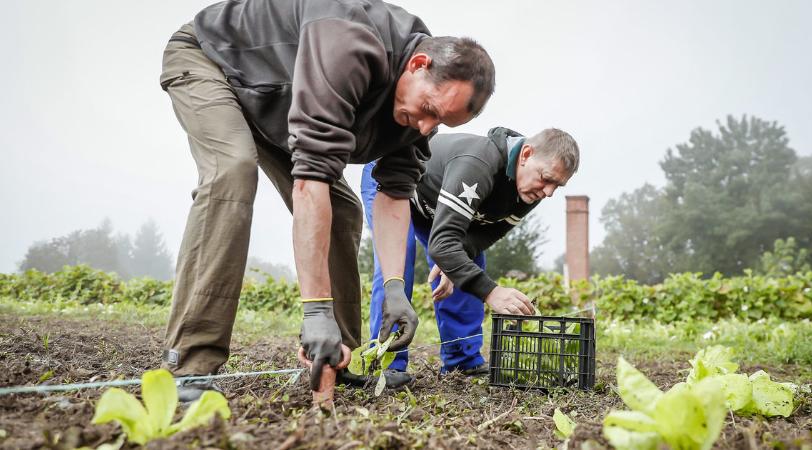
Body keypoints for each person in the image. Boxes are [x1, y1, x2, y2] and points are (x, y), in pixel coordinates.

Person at [158, 0, 495, 401]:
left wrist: (394, 289)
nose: (426, 127)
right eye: (429, 111)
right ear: (418, 64)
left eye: (439, 122)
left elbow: (394, 192)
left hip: (277, 100)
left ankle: (340, 354)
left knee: (343, 209)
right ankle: (190, 365)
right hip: (212, 59)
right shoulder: (348, 45)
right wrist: (315, 309)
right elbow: (311, 182)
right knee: (232, 172)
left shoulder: (417, 114)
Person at [360, 127, 579, 388]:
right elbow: (443, 244)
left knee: (470, 265)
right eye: (546, 179)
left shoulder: (531, 188)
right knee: (397, 265)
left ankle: (462, 361)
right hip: (394, 179)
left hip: (435, 209)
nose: (549, 192)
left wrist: (454, 263)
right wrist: (491, 292)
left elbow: (481, 237)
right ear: (526, 154)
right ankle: (387, 364)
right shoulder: (478, 163)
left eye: (557, 185)